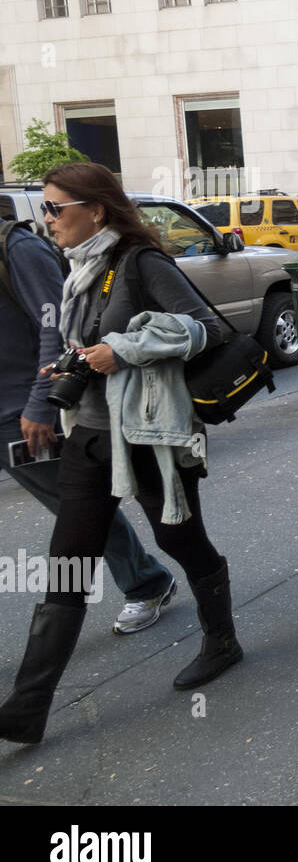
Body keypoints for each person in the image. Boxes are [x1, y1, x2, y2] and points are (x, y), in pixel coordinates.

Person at [0, 163, 238, 745]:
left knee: (179, 539)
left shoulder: (141, 264)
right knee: (68, 565)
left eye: (56, 208)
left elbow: (206, 328)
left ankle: (222, 639)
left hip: (150, 437)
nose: (46, 218)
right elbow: (62, 340)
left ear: (97, 210)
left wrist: (122, 349)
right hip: (88, 435)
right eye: (45, 208)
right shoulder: (75, 270)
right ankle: (26, 711)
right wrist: (64, 367)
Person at [0, 218, 177, 636]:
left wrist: (40, 404)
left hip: (18, 416)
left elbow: (56, 328)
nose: (49, 215)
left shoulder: (18, 249)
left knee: (78, 509)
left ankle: (145, 582)